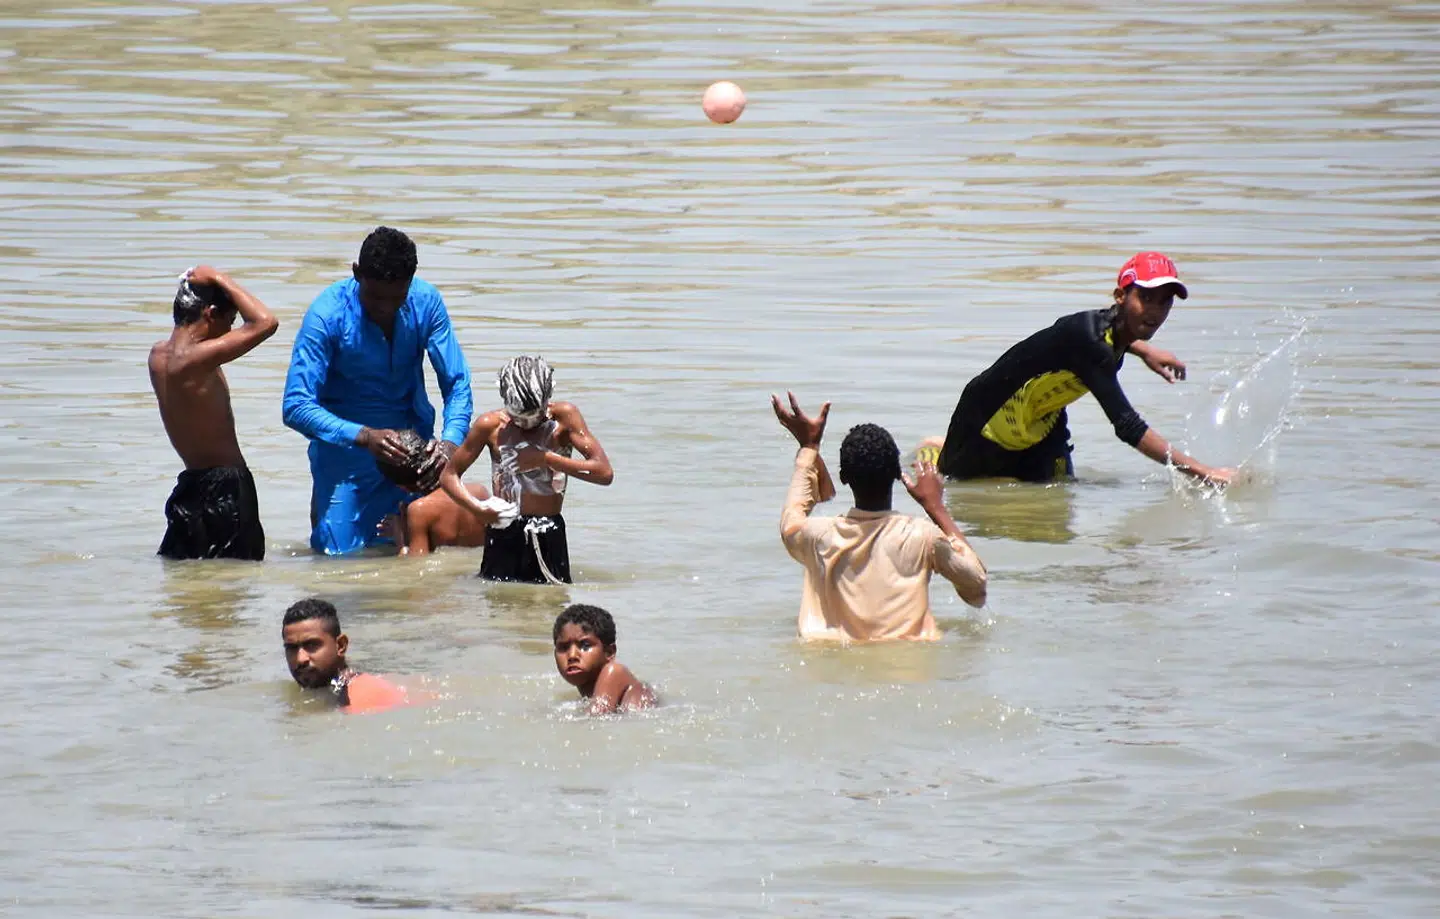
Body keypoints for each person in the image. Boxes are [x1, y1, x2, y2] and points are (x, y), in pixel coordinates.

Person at [924, 252, 1235, 486]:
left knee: (1059, 497)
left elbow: (1097, 335)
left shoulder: (1109, 332)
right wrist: (1204, 472)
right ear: (1120, 296)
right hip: (986, 420)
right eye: (1146, 297)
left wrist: (1144, 350)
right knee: (955, 486)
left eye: (1165, 301)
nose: (1155, 310)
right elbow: (1128, 426)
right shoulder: (1090, 341)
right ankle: (932, 449)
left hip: (1043, 422)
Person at [282, 226, 474, 555]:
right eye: (376, 298)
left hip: (414, 455)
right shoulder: (326, 316)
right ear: (357, 273)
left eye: (397, 298)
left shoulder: (426, 301)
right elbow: (296, 406)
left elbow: (456, 382)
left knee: (423, 551)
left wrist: (450, 444)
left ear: (411, 282)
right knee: (337, 558)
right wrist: (366, 436)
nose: (386, 307)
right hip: (345, 455)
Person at [773, 392, 988, 642]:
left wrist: (809, 448)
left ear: (843, 478)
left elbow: (791, 519)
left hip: (829, 659)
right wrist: (935, 507)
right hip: (908, 659)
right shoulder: (922, 537)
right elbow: (977, 587)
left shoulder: (817, 536)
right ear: (898, 474)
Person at [440, 356, 613, 584]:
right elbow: (449, 476)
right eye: (519, 418)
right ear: (504, 400)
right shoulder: (490, 426)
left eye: (535, 417)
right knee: (498, 595)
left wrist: (546, 458)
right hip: (502, 528)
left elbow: (603, 472)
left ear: (548, 399)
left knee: (551, 599)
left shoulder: (565, 418)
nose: (527, 425)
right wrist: (479, 509)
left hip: (548, 529)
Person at [150, 266, 279, 560]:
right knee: (236, 576)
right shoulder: (196, 359)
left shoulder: (157, 356)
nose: (231, 331)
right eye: (230, 321)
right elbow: (266, 322)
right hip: (227, 489)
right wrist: (219, 278)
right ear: (210, 314)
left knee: (190, 577)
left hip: (190, 487)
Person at [373, 429, 518, 556]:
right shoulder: (479, 491)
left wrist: (401, 539)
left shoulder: (419, 510)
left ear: (402, 487)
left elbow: (416, 567)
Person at [281, 598, 407, 713]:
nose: (300, 659)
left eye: (312, 645)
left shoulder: (363, 697)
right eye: (291, 648)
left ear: (341, 645)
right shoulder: (297, 696)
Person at [552, 604, 656, 714]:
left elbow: (594, 719)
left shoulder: (614, 671)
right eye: (563, 647)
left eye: (585, 645)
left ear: (609, 652)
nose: (572, 655)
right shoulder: (587, 699)